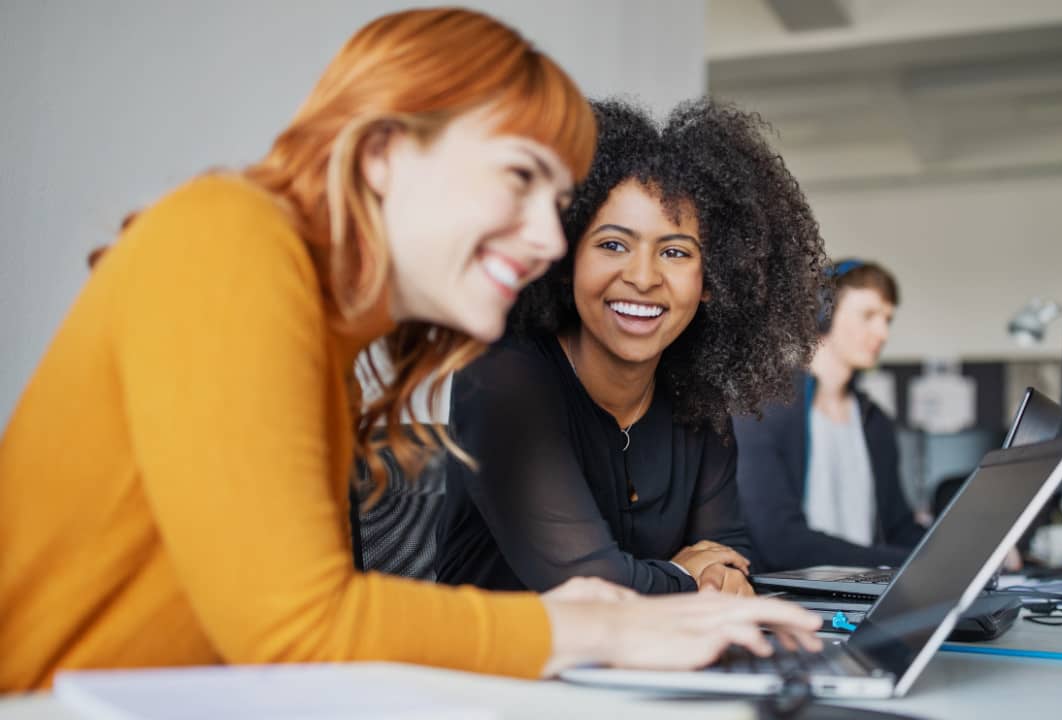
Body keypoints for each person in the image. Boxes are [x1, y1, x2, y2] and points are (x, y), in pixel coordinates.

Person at [0, 9, 820, 692]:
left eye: (557, 201)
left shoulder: (319, 333)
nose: (545, 239)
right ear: (386, 151)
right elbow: (298, 624)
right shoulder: (228, 239)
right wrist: (602, 623)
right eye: (518, 176)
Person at [434, 99, 829, 596]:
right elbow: (590, 587)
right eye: (613, 245)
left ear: (712, 280)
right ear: (565, 258)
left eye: (674, 252)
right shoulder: (500, 380)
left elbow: (729, 569)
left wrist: (702, 580)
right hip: (496, 670)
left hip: (642, 667)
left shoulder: (698, 404)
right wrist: (687, 575)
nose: (642, 277)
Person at [734, 260, 927, 573]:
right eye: (868, 316)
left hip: (868, 597)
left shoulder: (874, 420)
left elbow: (899, 528)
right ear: (823, 314)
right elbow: (781, 543)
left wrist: (965, 556)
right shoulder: (763, 411)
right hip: (793, 602)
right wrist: (909, 563)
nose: (882, 332)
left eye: (887, 319)